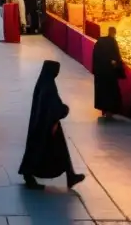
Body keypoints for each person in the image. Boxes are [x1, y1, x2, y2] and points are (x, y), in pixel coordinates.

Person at [18, 60, 86, 190]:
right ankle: (29, 174)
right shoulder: (49, 87)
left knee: (51, 150)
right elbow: (55, 107)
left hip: (42, 123)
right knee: (44, 150)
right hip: (48, 125)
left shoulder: (43, 83)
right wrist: (65, 109)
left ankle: (69, 175)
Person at [92, 27, 125, 119]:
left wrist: (95, 70)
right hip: (109, 73)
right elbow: (117, 57)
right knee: (111, 92)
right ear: (114, 33)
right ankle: (110, 111)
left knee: (101, 91)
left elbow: (95, 57)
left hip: (100, 73)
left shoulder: (99, 42)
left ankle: (103, 110)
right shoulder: (113, 42)